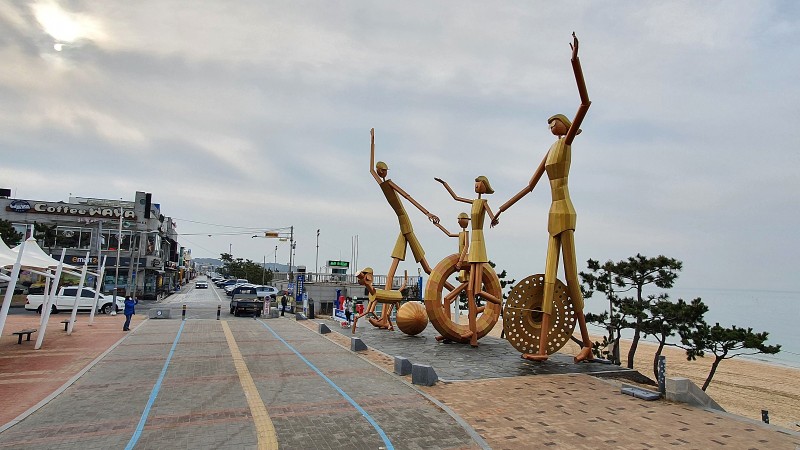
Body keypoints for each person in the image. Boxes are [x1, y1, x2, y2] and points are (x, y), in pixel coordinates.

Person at [491, 33, 593, 363]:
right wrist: (500, 209)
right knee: (549, 279)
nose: (550, 126)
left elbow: (585, 103)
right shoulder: (549, 150)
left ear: (565, 126)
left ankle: (587, 343)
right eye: (548, 124)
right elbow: (530, 186)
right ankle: (542, 349)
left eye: (554, 122)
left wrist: (575, 62)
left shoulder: (566, 144)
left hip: (566, 212)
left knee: (571, 277)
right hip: (552, 213)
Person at [435, 176, 503, 347]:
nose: (476, 186)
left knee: (475, 290)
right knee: (471, 291)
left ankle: (498, 303)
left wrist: (494, 220)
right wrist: (445, 184)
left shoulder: (484, 202)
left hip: (479, 244)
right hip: (474, 246)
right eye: (475, 184)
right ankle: (466, 332)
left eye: (478, 184)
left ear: (484, 186)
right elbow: (456, 197)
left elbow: (492, 216)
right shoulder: (473, 202)